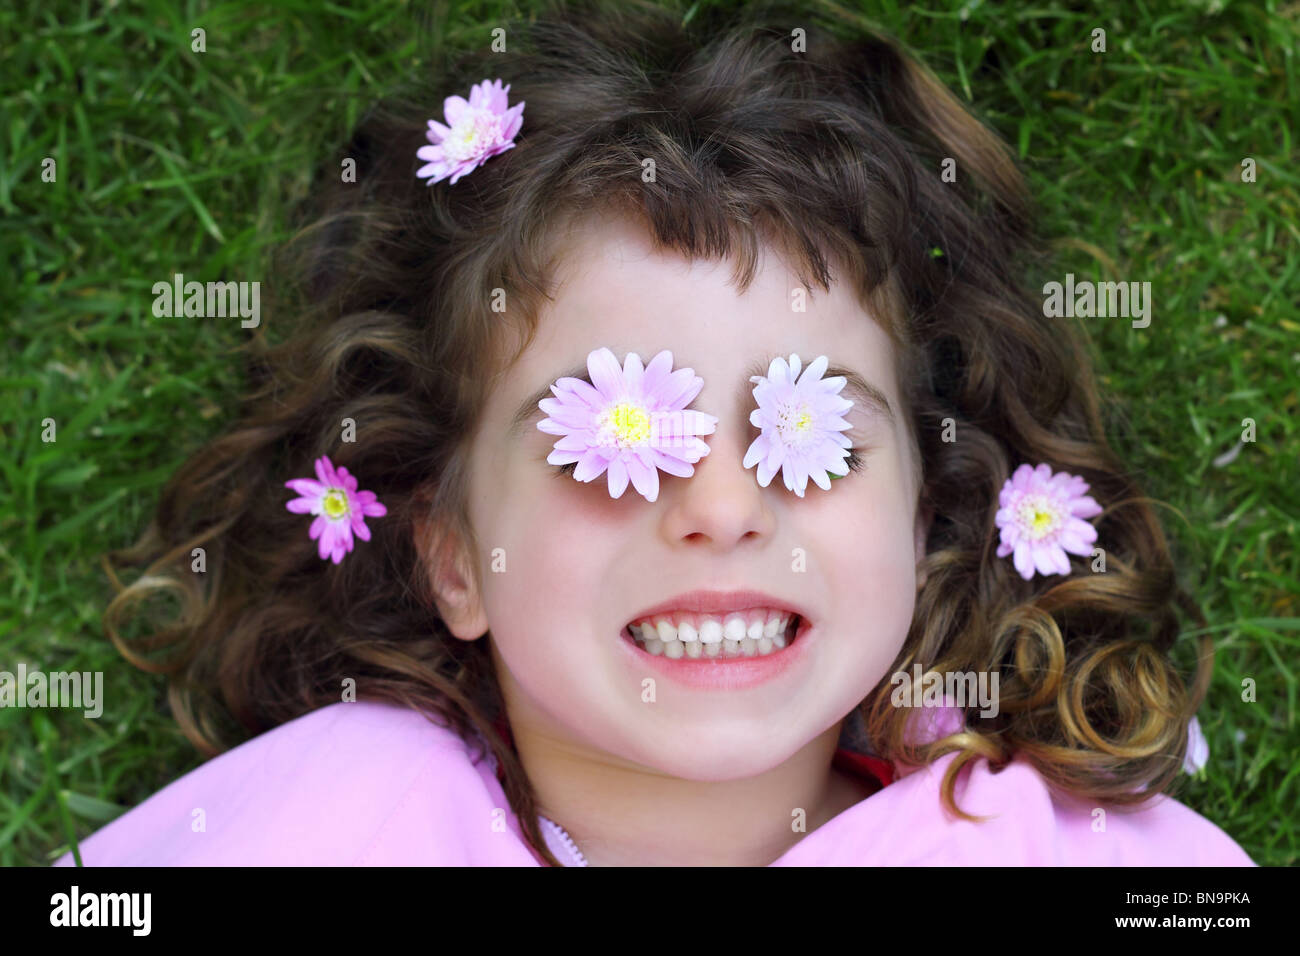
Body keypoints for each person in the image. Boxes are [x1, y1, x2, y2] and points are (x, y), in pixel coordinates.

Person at [55, 0, 1253, 867]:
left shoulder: (1050, 845)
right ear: (451, 551)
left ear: (920, 516)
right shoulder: (336, 818)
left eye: (817, 437)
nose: (724, 506)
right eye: (611, 444)